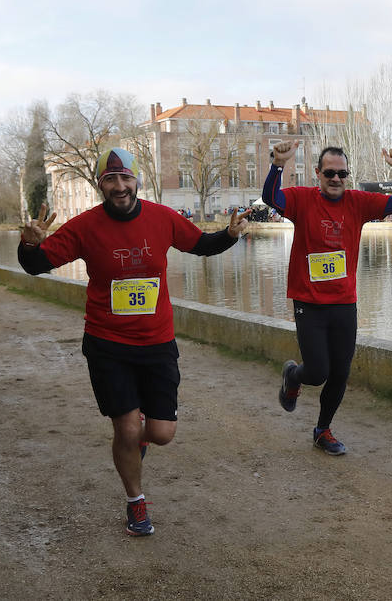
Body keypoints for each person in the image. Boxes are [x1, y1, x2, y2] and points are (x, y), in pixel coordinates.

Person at [18, 148, 250, 536]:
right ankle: (136, 502)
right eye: (110, 179)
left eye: (126, 178)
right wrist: (29, 245)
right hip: (108, 343)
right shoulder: (85, 226)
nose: (119, 186)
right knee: (126, 430)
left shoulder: (162, 217)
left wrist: (228, 235)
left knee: (160, 434)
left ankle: (135, 443)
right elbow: (36, 265)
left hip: (157, 342)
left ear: (137, 181)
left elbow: (201, 246)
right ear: (100, 184)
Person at [262, 141, 392, 455]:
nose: (336, 178)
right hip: (309, 302)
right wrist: (278, 165)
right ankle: (293, 375)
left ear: (348, 175)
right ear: (317, 173)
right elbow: (270, 198)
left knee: (341, 372)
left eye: (342, 173)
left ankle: (322, 430)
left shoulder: (357, 202)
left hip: (344, 303)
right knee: (317, 372)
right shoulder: (302, 199)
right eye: (329, 172)